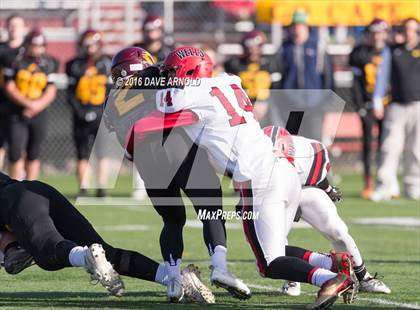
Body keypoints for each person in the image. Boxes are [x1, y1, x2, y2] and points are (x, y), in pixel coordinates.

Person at [156, 46, 357, 309]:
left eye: (173, 72)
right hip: (282, 169)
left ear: (191, 71)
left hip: (258, 178)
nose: (170, 77)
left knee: (269, 263)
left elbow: (161, 103)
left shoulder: (192, 93)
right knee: (276, 250)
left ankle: (330, 278)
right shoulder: (230, 80)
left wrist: (149, 79)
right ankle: (330, 263)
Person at [105, 47, 250, 302]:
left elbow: (125, 146)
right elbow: (183, 77)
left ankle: (173, 281)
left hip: (145, 160)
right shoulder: (154, 74)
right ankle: (220, 267)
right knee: (211, 208)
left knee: (172, 221)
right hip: (175, 145)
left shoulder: (112, 101)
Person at [0, 171, 215, 303]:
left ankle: (85, 256)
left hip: (15, 201)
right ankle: (175, 278)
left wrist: (12, 251)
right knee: (107, 253)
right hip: (37, 189)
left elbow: (11, 249)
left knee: (49, 254)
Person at [262, 126, 391, 296]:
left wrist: (328, 189)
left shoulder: (310, 152)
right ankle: (292, 276)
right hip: (271, 192)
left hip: (305, 187)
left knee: (337, 230)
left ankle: (364, 277)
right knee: (275, 239)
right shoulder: (256, 156)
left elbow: (317, 176)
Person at [370, 18, 420, 201]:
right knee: (390, 147)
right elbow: (382, 76)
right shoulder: (392, 50)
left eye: (413, 30)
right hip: (397, 105)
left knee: (416, 149)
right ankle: (384, 185)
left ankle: (413, 186)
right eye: (406, 29)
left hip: (417, 106)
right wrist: (377, 100)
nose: (409, 33)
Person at [3, 29, 58, 180]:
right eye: (34, 45)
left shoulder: (50, 62)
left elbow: (51, 90)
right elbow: (9, 87)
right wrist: (28, 104)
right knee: (15, 152)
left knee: (34, 153)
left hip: (39, 113)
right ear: (27, 44)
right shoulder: (14, 59)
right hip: (17, 111)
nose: (37, 49)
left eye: (40, 45)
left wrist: (36, 107)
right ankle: (15, 185)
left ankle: (30, 187)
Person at [66, 29, 111, 197]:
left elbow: (112, 92)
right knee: (82, 152)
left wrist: (104, 112)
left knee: (102, 152)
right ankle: (84, 187)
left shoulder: (107, 63)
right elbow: (70, 93)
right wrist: (80, 112)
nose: (90, 48)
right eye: (87, 44)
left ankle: (102, 187)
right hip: (81, 112)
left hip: (102, 113)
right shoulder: (74, 64)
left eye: (93, 44)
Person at [349, 19, 390, 199]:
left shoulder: (391, 52)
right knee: (368, 144)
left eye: (381, 32)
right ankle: (368, 182)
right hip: (367, 104)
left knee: (387, 145)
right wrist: (361, 107)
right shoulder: (360, 53)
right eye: (374, 32)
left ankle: (386, 181)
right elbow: (356, 84)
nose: (377, 36)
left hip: (389, 104)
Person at [131, 14, 171, 200]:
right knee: (141, 142)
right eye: (149, 30)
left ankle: (168, 182)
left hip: (164, 101)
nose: (152, 34)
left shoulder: (169, 51)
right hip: (141, 100)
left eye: (154, 30)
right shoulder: (136, 50)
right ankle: (140, 184)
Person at [278, 10, 333, 140]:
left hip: (315, 104)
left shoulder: (317, 47)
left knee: (314, 142)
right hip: (291, 105)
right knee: (293, 142)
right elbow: (279, 75)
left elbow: (328, 78)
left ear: (307, 27)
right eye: (295, 25)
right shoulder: (285, 48)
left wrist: (324, 101)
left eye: (301, 25)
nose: (297, 29)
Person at [224, 30, 281, 121]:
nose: (253, 51)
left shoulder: (270, 64)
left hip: (267, 106)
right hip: (243, 106)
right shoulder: (234, 65)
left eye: (256, 47)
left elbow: (277, 90)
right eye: (249, 48)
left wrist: (264, 103)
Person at [0, 14, 26, 170]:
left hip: (20, 106)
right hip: (1, 102)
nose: (14, 29)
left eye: (17, 25)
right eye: (11, 25)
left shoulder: (28, 51)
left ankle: (20, 187)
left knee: (18, 150)